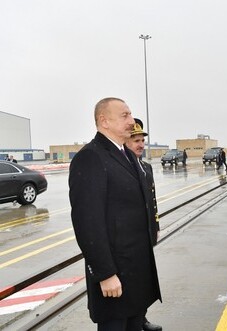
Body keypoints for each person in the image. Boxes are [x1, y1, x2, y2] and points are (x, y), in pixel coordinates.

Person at [69, 97, 161, 331]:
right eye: (125, 116)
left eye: (130, 114)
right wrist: (105, 273)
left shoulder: (128, 155)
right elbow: (87, 222)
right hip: (115, 275)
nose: (131, 121)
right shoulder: (91, 157)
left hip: (135, 272)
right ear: (104, 121)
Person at [125, 118, 162, 331]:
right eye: (135, 140)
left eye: (142, 140)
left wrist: (155, 226)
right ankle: (134, 320)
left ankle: (141, 318)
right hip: (132, 235)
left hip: (146, 232)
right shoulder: (126, 166)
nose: (140, 145)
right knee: (133, 280)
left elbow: (152, 201)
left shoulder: (146, 166)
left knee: (144, 278)